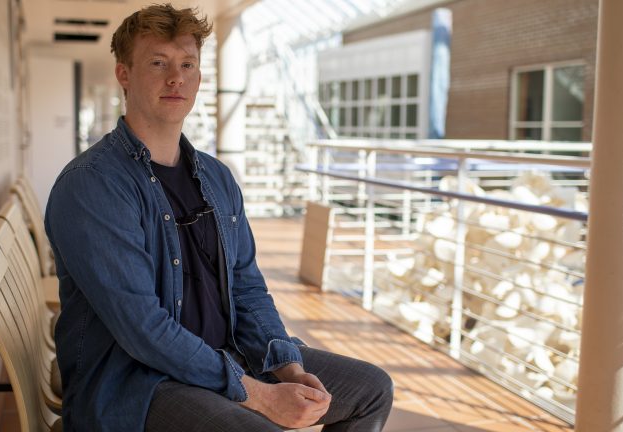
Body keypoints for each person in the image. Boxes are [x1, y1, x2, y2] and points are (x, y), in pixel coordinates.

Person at [45, 4, 393, 431]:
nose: (176, 78)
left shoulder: (216, 177)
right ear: (124, 74)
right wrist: (258, 395)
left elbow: (247, 287)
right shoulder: (93, 184)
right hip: (138, 382)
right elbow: (143, 329)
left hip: (227, 357)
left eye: (187, 64)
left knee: (371, 389)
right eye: (158, 63)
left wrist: (287, 366)